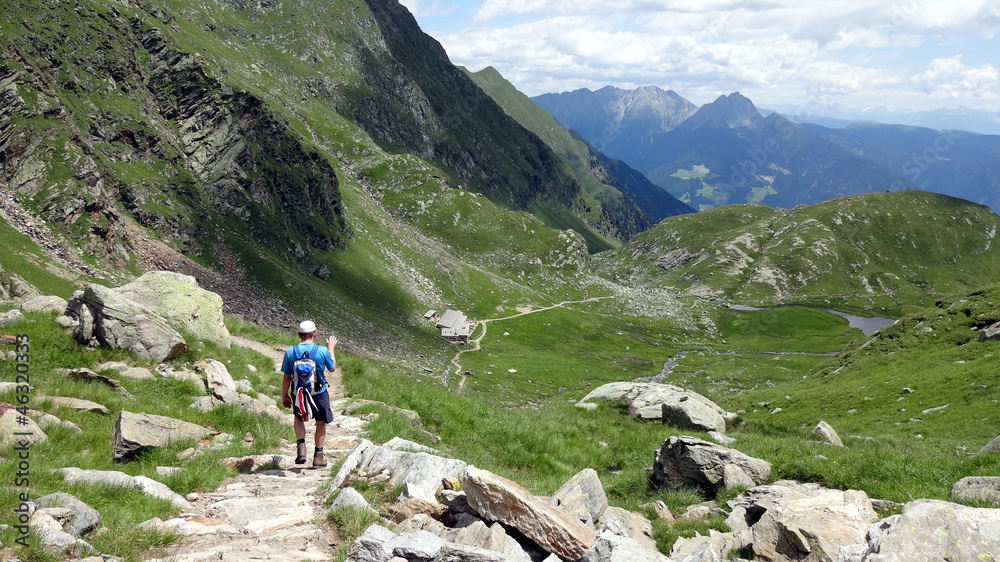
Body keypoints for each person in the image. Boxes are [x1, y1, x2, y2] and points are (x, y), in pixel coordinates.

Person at [281, 320, 337, 467]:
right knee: (320, 422)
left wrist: (284, 395)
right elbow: (332, 368)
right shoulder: (322, 351)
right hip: (319, 392)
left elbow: (287, 377)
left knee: (298, 418)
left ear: (299, 334)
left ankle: (301, 450)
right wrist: (330, 348)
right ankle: (318, 457)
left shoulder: (290, 351)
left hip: (298, 392)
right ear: (315, 334)